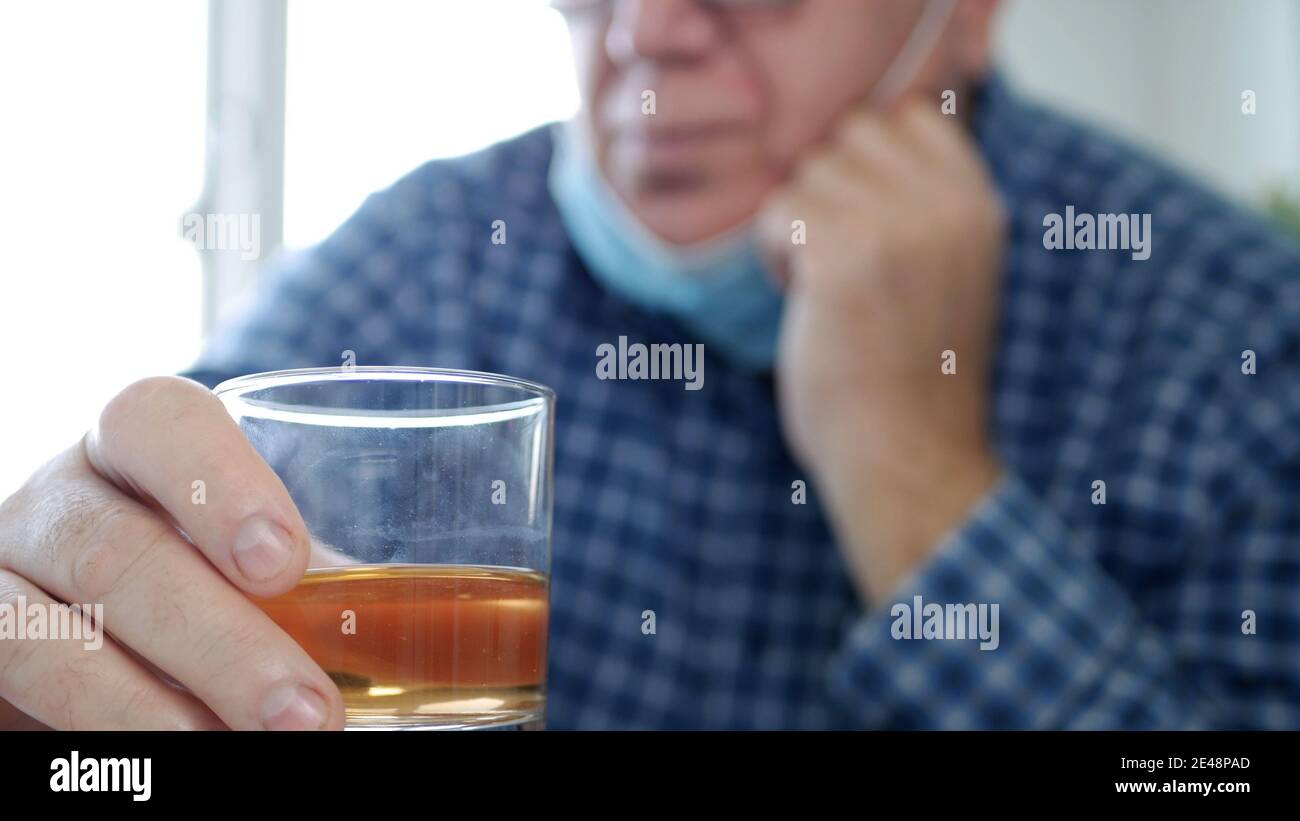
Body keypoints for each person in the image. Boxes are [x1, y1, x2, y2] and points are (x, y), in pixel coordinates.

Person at [2, 0, 1298, 730]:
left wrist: (912, 472)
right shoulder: (438, 254)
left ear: (958, 20)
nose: (653, 28)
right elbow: (117, 595)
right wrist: (60, 620)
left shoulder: (1240, 339)